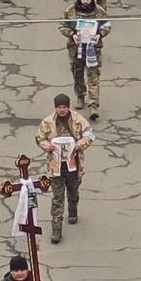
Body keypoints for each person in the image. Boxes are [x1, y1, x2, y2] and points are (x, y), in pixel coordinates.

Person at [37, 93, 95, 232]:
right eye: (59, 107)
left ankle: (73, 208)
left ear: (68, 107)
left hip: (73, 163)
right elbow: (40, 138)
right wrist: (47, 146)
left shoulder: (77, 120)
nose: (62, 110)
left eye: (64, 107)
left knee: (73, 191)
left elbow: (89, 135)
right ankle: (56, 227)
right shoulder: (48, 122)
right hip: (56, 166)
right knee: (57, 197)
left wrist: (79, 145)